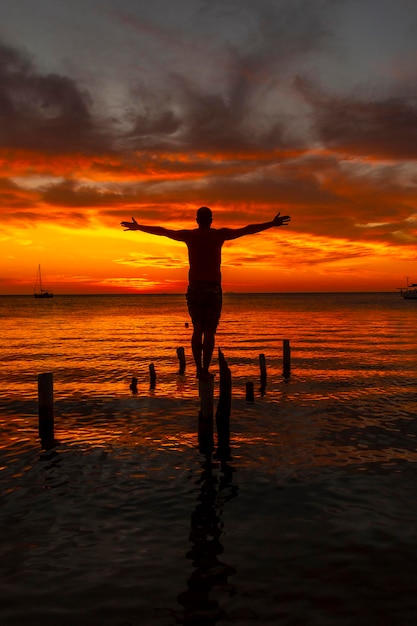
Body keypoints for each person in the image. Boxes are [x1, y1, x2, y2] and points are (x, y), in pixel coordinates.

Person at [121, 207, 291, 379]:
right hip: (212, 288)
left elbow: (164, 232)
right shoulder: (218, 235)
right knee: (209, 330)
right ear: (211, 220)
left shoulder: (190, 236)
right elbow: (247, 230)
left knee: (198, 329)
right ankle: (205, 369)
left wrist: (140, 227)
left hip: (195, 288)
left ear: (197, 220)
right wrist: (271, 223)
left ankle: (199, 369)